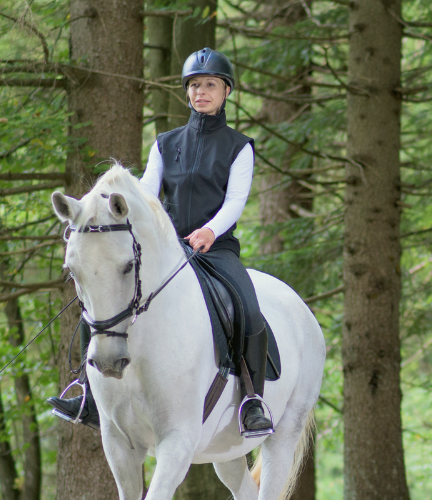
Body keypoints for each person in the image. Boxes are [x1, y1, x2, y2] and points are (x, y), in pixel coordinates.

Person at [48, 48, 274, 437]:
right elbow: (147, 194)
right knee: (101, 299)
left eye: (210, 85)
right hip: (169, 250)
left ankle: (252, 399)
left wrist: (209, 231)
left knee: (248, 309)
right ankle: (88, 393)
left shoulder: (239, 147)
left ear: (226, 91)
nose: (201, 91)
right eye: (194, 85)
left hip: (215, 249)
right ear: (187, 92)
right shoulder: (166, 144)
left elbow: (236, 200)